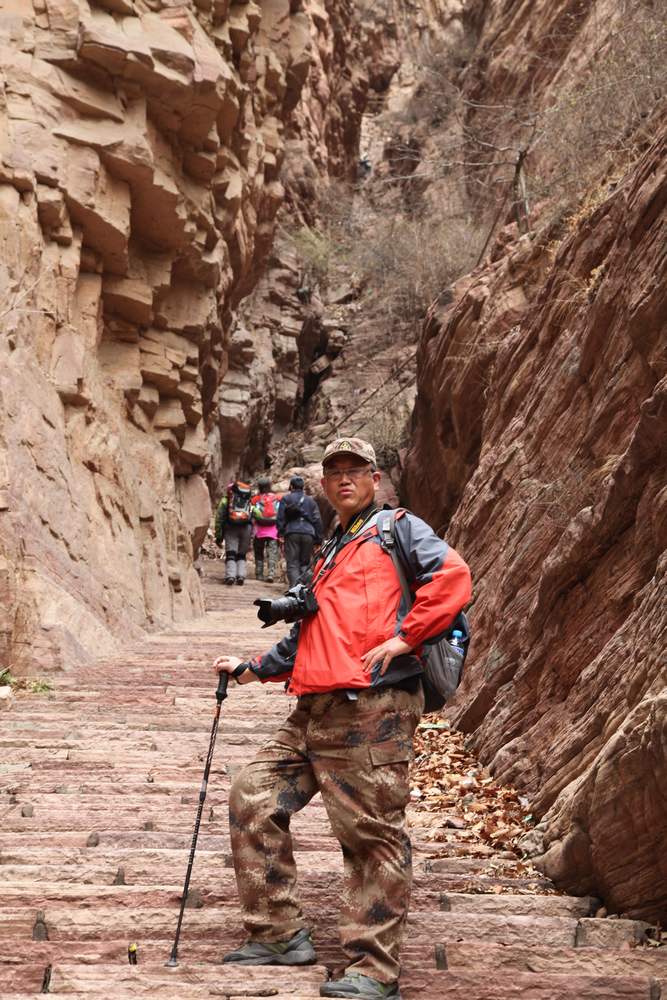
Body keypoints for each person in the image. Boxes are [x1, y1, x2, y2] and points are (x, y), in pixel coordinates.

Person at [213, 438, 472, 1000]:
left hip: (372, 709)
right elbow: (313, 630)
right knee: (251, 795)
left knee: (370, 836)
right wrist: (252, 668)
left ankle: (373, 971)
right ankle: (278, 935)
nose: (344, 480)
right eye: (335, 473)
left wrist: (406, 638)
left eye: (355, 471)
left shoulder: (397, 529)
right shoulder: (333, 545)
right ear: (325, 485)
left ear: (374, 479)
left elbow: (452, 579)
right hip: (313, 710)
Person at [277, 475, 323, 586]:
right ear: (303, 487)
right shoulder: (311, 501)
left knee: (292, 563)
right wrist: (318, 539)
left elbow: (280, 518)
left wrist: (281, 532)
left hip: (292, 532)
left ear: (291, 487)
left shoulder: (286, 499)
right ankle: (305, 590)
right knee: (305, 563)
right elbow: (317, 520)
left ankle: (294, 591)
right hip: (309, 533)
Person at [215, 480, 253, 586]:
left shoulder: (225, 501)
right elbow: (254, 515)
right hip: (246, 528)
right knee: (241, 555)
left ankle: (230, 576)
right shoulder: (249, 500)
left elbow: (219, 518)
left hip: (231, 527)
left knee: (231, 554)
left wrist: (219, 535)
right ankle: (241, 575)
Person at [252, 477, 280, 583]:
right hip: (273, 531)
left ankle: (259, 574)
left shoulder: (256, 499)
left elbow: (252, 513)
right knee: (272, 552)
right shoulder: (276, 498)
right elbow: (280, 513)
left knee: (259, 552)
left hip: (259, 530)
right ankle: (271, 574)